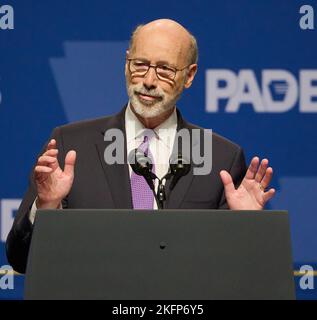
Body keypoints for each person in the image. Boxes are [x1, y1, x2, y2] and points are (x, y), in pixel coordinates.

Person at [6, 19, 275, 274]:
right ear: (126, 64)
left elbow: (237, 276)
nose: (148, 80)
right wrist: (46, 205)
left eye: (165, 69)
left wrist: (248, 230)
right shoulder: (70, 146)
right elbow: (21, 260)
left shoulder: (221, 159)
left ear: (190, 75)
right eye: (140, 64)